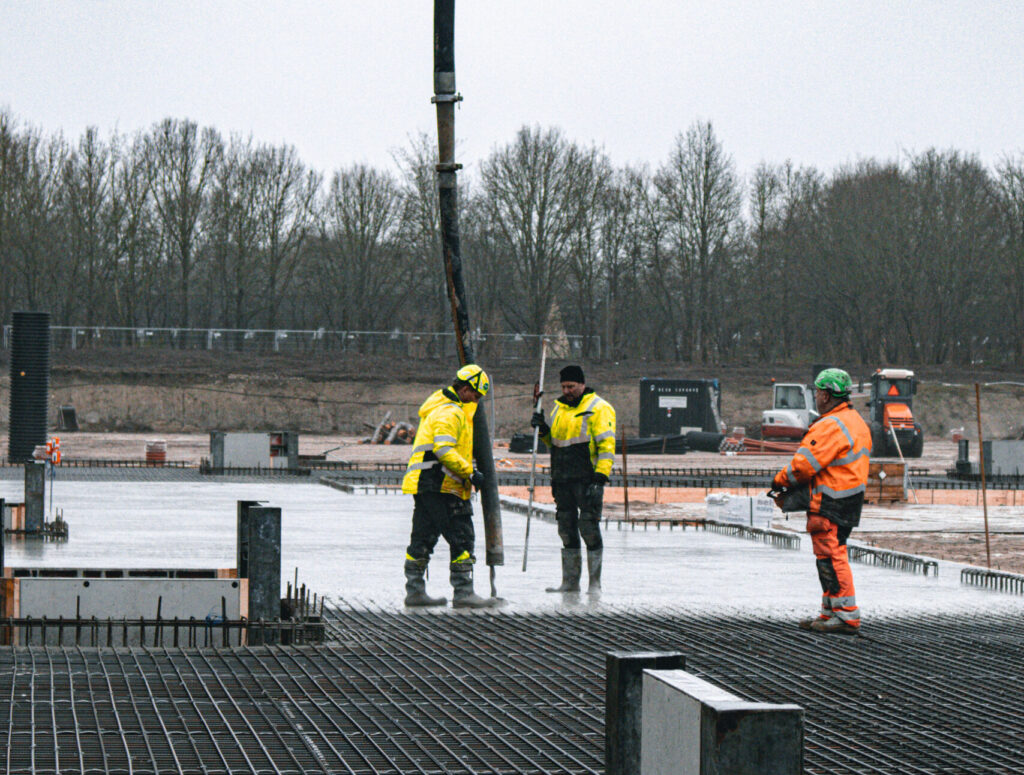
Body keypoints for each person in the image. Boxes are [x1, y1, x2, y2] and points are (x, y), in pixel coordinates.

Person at [771, 368, 871, 635]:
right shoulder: (855, 421)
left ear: (826, 395)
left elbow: (803, 466)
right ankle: (830, 612)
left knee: (832, 555)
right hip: (847, 498)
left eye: (817, 392)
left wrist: (779, 481)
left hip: (831, 501)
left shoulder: (831, 425)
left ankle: (846, 615)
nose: (815, 396)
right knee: (826, 556)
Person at [401, 364, 500, 609]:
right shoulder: (450, 412)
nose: (476, 401)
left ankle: (414, 591)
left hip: (426, 484)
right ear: (464, 389)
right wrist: (470, 473)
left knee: (423, 537)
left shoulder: (438, 407)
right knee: (462, 536)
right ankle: (464, 592)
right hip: (442, 484)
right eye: (475, 395)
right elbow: (444, 450)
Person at [531, 365, 616, 594]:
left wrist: (600, 477)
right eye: (563, 387)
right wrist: (543, 429)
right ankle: (570, 582)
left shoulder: (599, 408)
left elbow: (607, 446)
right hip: (562, 479)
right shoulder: (559, 409)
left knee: (588, 528)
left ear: (582, 384)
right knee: (566, 529)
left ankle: (595, 583)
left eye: (571, 386)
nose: (567, 391)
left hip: (587, 479)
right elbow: (555, 443)